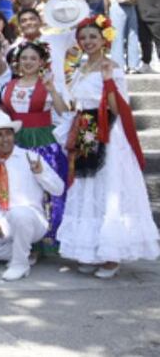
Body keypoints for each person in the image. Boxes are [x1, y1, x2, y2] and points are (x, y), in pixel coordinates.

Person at [57, 16, 160, 277]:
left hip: (107, 132)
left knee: (107, 187)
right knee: (86, 188)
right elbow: (75, 103)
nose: (88, 41)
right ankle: (90, 250)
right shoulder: (80, 68)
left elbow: (117, 108)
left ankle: (111, 255)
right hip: (85, 130)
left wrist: (107, 81)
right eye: (83, 37)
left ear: (105, 39)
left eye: (93, 36)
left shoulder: (111, 67)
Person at [0, 111, 66, 281]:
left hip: (31, 219)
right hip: (2, 219)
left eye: (8, 133)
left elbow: (58, 189)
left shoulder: (31, 157)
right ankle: (25, 253)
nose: (5, 139)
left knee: (19, 213)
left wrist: (41, 174)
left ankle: (19, 264)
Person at [2, 42, 70, 252]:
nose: (28, 62)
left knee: (48, 191)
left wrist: (52, 91)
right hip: (17, 142)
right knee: (19, 190)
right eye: (24, 58)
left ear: (41, 62)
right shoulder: (9, 86)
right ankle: (25, 240)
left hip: (43, 142)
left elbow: (64, 112)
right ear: (18, 62)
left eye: (33, 58)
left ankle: (49, 237)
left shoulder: (47, 84)